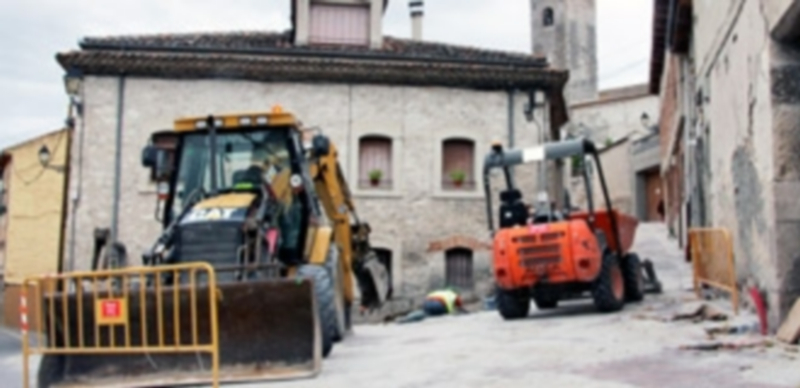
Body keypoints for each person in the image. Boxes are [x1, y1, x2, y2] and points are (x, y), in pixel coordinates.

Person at [396, 287, 467, 324]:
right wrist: (466, 312)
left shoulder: (442, 292)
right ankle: (408, 319)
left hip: (427, 302)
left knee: (424, 313)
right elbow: (460, 305)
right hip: (438, 305)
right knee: (433, 314)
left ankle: (407, 318)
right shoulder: (454, 295)